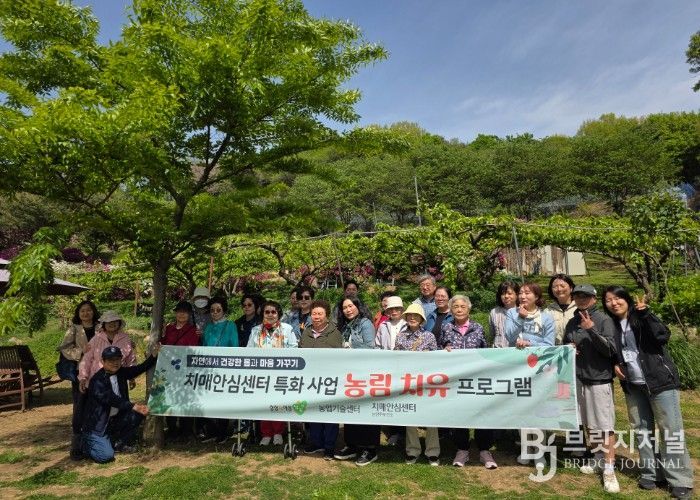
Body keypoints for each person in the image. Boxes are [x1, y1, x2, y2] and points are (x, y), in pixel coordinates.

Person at [604, 286, 694, 498]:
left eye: (617, 298)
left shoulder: (641, 317)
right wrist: (615, 362)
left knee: (670, 429)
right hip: (633, 385)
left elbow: (663, 335)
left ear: (626, 299)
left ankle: (680, 479)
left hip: (659, 381)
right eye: (608, 300)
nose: (614, 303)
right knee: (641, 429)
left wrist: (646, 314)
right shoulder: (612, 325)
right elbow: (616, 350)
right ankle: (651, 473)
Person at [563, 284, 619, 493]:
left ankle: (609, 469)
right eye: (577, 296)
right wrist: (570, 348)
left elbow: (610, 350)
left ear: (594, 298)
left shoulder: (604, 320)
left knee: (604, 425)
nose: (581, 299)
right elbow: (566, 343)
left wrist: (591, 330)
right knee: (589, 422)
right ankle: (597, 457)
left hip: (599, 379)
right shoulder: (572, 322)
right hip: (578, 378)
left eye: (585, 296)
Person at [440, 295, 497, 469]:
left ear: (468, 309)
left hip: (476, 378)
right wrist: (444, 349)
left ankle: (484, 450)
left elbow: (485, 350)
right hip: (455, 379)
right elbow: (439, 349)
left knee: (482, 412)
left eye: (462, 306)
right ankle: (462, 449)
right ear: (451, 310)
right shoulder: (446, 327)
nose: (459, 309)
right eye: (455, 306)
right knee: (460, 413)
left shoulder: (478, 327)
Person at [504, 283, 555, 467]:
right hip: (518, 367)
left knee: (539, 408)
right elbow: (509, 336)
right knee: (522, 407)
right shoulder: (512, 313)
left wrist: (530, 344)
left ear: (537, 296)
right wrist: (520, 317)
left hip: (539, 368)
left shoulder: (546, 317)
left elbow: (549, 343)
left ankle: (539, 452)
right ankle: (526, 449)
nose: (523, 296)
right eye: (521, 293)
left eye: (527, 293)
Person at [81, 345, 159, 463]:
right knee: (106, 456)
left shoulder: (121, 372)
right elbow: (111, 399)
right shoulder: (97, 381)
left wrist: (153, 356)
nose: (115, 363)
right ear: (103, 361)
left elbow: (139, 369)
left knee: (137, 414)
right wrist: (134, 406)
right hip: (98, 426)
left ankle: (119, 443)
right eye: (111, 360)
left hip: (115, 420)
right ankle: (86, 443)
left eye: (118, 359)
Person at [335, 297, 379, 466]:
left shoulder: (365, 323)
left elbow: (370, 347)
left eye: (351, 306)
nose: (348, 310)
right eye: (344, 307)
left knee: (366, 410)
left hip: (365, 373)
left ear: (358, 306)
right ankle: (352, 445)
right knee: (351, 409)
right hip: (349, 373)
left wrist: (351, 347)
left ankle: (369, 449)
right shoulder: (344, 326)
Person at [394, 303, 440, 466]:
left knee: (431, 416)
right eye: (410, 315)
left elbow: (436, 360)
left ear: (421, 319)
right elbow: (395, 359)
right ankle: (412, 451)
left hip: (426, 381)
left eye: (416, 315)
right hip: (407, 381)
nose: (412, 318)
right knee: (410, 415)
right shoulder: (400, 336)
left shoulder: (429, 336)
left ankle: (433, 452)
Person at [247, 300, 297, 446]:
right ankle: (266, 433)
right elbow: (249, 350)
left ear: (278, 314)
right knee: (264, 403)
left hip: (281, 373)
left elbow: (294, 348)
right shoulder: (256, 330)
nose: (270, 314)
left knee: (278, 403)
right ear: (262, 314)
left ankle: (278, 433)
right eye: (267, 312)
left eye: (273, 312)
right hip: (261, 374)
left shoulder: (287, 329)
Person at [299, 299, 343, 460]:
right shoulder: (306, 332)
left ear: (327, 315)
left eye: (320, 314)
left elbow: (340, 357)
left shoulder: (335, 333)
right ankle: (316, 442)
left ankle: (329, 446)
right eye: (314, 314)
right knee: (313, 411)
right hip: (310, 380)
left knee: (329, 412)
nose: (316, 317)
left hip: (329, 380)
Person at [58, 299, 100, 460]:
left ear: (93, 311)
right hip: (80, 371)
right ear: (78, 313)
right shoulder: (74, 329)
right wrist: (80, 351)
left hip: (99, 370)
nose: (86, 313)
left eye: (88, 310)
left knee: (98, 402)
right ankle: (77, 443)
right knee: (80, 404)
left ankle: (96, 438)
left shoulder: (100, 327)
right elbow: (64, 348)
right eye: (82, 310)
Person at [199, 296, 238, 444]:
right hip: (209, 369)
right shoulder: (208, 327)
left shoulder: (231, 325)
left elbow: (234, 346)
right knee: (208, 399)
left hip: (225, 368)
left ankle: (223, 432)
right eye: (212, 310)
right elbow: (204, 346)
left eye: (218, 310)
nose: (215, 313)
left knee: (222, 400)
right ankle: (211, 431)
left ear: (224, 311)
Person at [161, 301, 199, 439]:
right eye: (179, 311)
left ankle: (186, 430)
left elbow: (194, 349)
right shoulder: (169, 328)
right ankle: (172, 428)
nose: (181, 314)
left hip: (185, 370)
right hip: (169, 369)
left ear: (189, 314)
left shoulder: (193, 330)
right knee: (170, 398)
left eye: (185, 312)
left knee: (185, 398)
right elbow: (163, 344)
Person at [78, 310, 136, 395]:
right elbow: (87, 359)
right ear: (104, 324)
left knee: (119, 402)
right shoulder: (96, 339)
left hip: (119, 378)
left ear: (119, 323)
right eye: (109, 322)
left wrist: (132, 376)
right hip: (99, 380)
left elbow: (130, 359)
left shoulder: (125, 339)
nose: (112, 323)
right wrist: (83, 377)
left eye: (115, 321)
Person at [376, 296, 406, 446]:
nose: (394, 311)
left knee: (403, 399)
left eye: (397, 309)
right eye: (391, 309)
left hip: (405, 367)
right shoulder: (383, 325)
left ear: (402, 310)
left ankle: (403, 432)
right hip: (388, 367)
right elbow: (377, 345)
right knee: (391, 398)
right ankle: (393, 432)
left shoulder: (408, 324)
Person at [545, 274, 577, 345]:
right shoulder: (548, 311)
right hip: (555, 349)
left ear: (571, 288)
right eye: (555, 287)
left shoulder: (579, 308)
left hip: (576, 349)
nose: (559, 289)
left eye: (562, 286)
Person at [489, 280, 519, 348]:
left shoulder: (522, 311)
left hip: (517, 351)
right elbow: (492, 334)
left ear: (517, 295)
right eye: (503, 293)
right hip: (498, 351)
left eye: (509, 293)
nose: (506, 296)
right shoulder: (494, 312)